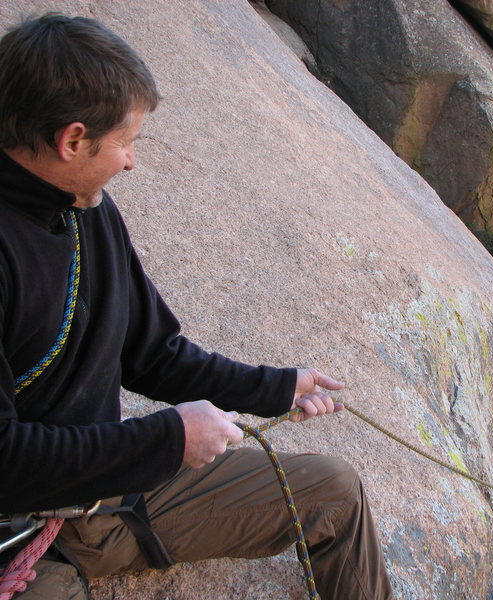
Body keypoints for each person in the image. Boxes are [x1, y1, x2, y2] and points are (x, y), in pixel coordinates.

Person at [0, 13, 391, 599]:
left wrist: (273, 388)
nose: (131, 161)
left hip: (110, 490)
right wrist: (167, 439)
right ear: (73, 140)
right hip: (20, 533)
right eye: (126, 143)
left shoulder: (88, 211)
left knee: (332, 490)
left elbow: (152, 353)